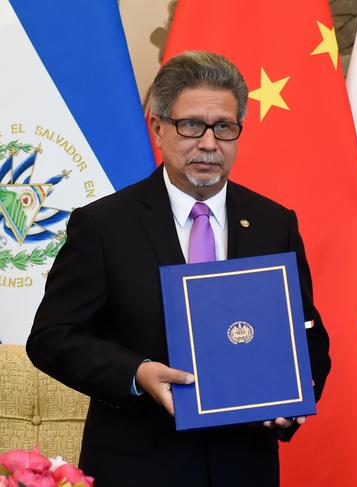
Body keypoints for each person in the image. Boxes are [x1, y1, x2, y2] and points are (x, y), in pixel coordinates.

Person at [27, 51, 330, 487]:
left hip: (244, 465)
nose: (208, 143)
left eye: (224, 127)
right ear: (158, 128)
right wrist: (136, 372)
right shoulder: (104, 225)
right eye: (191, 125)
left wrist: (295, 398)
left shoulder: (273, 222)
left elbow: (307, 333)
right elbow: (53, 338)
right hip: (138, 465)